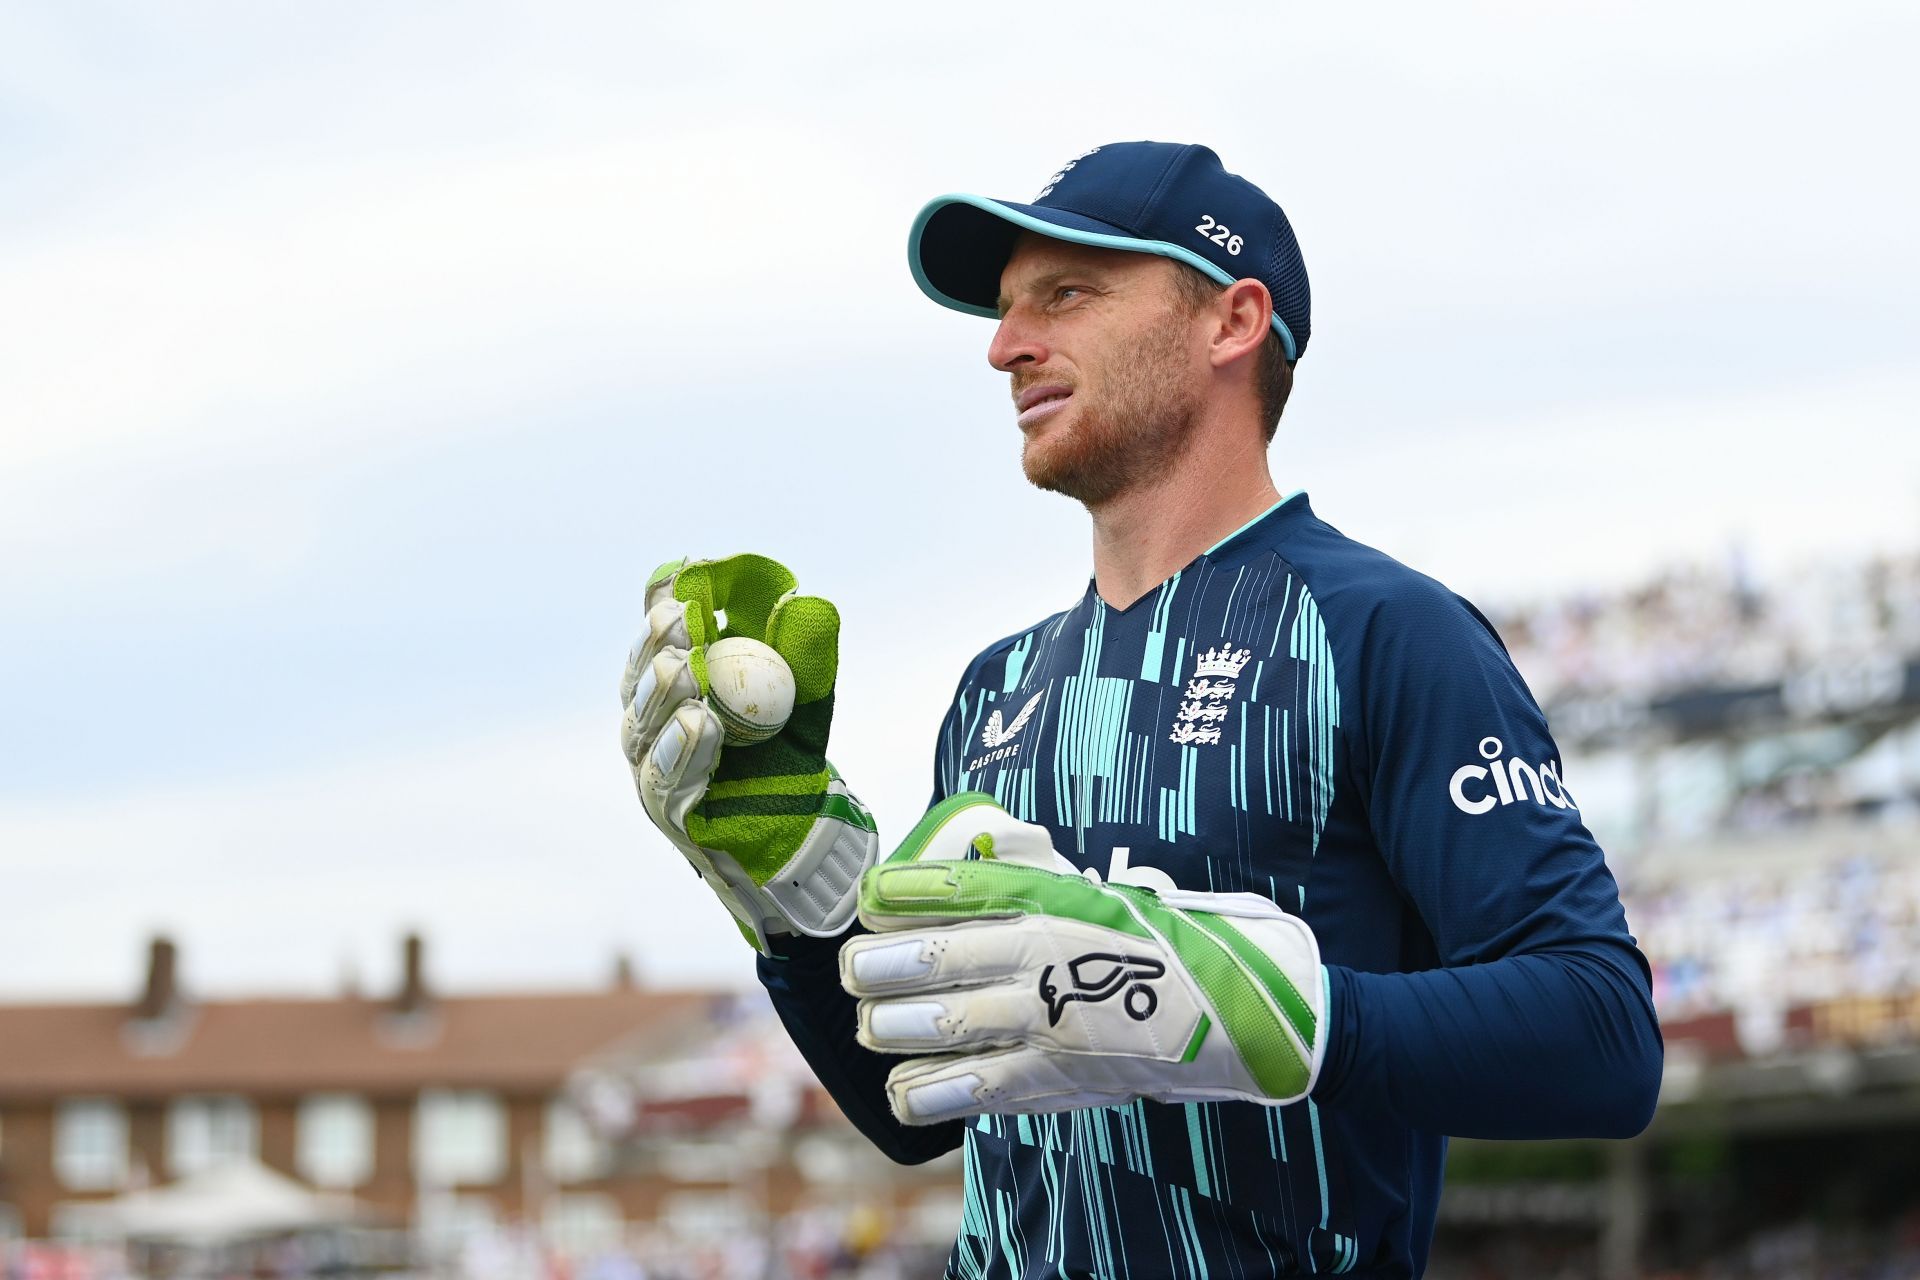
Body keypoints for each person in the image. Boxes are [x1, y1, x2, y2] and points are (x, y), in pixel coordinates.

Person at [620, 142, 1663, 1279]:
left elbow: (1603, 1036)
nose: (1006, 345)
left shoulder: (1384, 630)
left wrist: (1253, 1003)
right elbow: (915, 1102)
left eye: (1065, 294)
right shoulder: (996, 686)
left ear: (1232, 321)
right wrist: (799, 903)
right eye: (1009, 309)